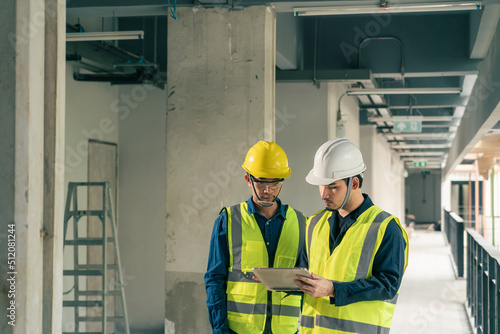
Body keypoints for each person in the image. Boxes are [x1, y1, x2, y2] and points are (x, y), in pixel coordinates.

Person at [294, 138, 409, 334]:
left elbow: (388, 285)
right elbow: (304, 270)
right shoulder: (314, 223)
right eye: (321, 186)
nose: (324, 194)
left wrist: (333, 290)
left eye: (332, 187)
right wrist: (280, 280)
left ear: (354, 183)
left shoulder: (386, 228)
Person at [204, 141, 306, 334]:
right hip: (240, 330)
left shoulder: (302, 223)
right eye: (261, 182)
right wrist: (219, 329)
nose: (268, 190)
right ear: (248, 179)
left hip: (287, 331)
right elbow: (214, 279)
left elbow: (309, 282)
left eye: (275, 182)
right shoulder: (228, 220)